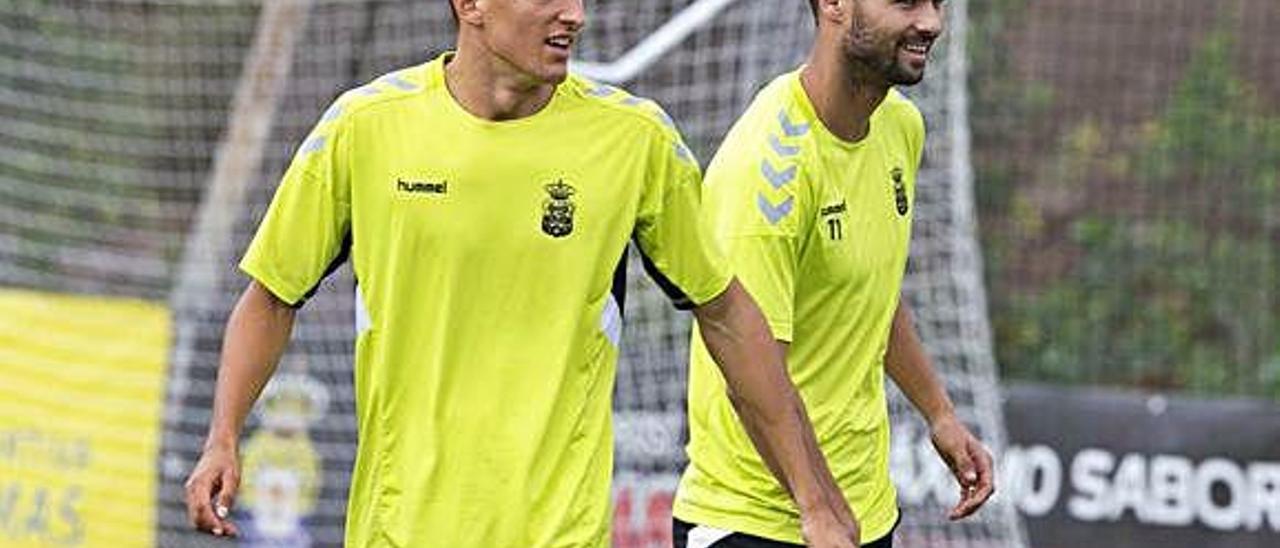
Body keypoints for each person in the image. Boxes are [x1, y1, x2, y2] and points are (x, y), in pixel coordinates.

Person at [184, 0, 861, 546]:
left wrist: (813, 498)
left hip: (560, 532)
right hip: (401, 530)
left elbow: (727, 312)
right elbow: (272, 297)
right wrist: (223, 437)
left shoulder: (636, 141)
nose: (575, 15)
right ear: (470, 5)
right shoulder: (365, 128)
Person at [672, 0, 995, 546]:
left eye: (937, 2)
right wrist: (816, 507)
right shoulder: (767, 171)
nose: (932, 23)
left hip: (862, 513)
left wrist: (939, 413)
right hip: (754, 522)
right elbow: (748, 372)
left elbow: (869, 290)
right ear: (834, 5)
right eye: (906, 2)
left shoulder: (900, 126)